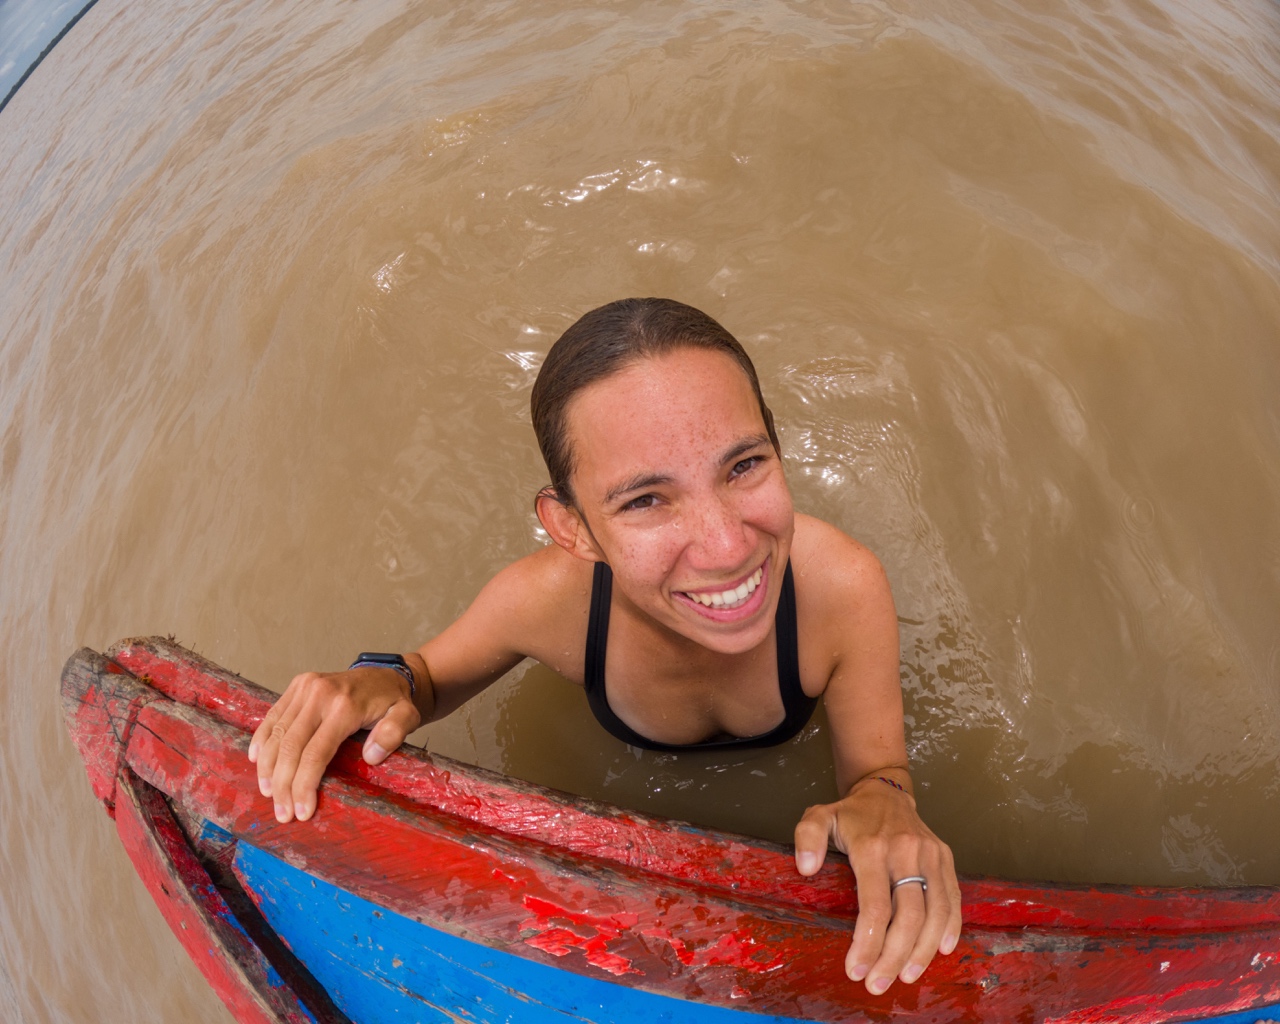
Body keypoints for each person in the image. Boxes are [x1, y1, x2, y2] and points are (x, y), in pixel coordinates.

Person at [248, 297, 961, 995]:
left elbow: (878, 774)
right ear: (573, 530)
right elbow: (426, 676)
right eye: (646, 500)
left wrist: (887, 805)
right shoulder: (548, 604)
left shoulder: (841, 591)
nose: (726, 546)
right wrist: (377, 680)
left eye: (744, 465)